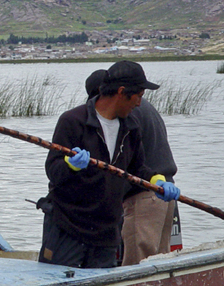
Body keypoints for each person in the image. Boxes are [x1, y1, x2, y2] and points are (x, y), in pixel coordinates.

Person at [38, 61, 180, 269]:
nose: (140, 103)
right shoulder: (73, 121)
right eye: (138, 96)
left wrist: (157, 181)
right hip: (67, 227)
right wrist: (71, 164)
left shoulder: (131, 127)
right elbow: (53, 171)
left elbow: (137, 168)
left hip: (106, 232)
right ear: (122, 92)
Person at [85, 70, 178, 265]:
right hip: (166, 194)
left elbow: (126, 163)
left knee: (138, 267)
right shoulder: (144, 107)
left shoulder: (128, 113)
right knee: (159, 264)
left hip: (143, 197)